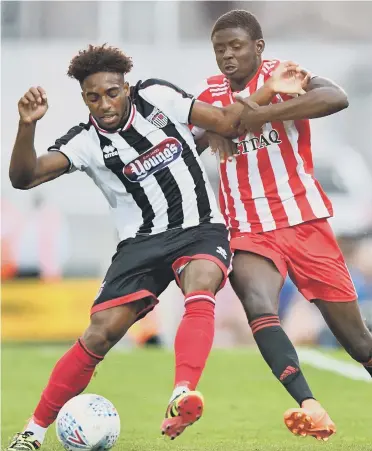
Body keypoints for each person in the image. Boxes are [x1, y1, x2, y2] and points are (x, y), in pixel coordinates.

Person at [7, 44, 306, 450]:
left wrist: (267, 89)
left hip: (200, 227)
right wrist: (27, 125)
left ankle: (182, 392)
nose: (105, 104)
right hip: (140, 243)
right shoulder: (84, 142)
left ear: (126, 87)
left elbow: (225, 122)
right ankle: (33, 430)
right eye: (94, 97)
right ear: (84, 99)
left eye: (112, 92)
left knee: (201, 283)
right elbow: (24, 178)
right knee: (99, 335)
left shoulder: (157, 97)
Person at [192, 9, 372, 442]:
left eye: (236, 47)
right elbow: (199, 139)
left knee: (359, 343)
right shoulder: (210, 93)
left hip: (304, 220)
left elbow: (337, 97)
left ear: (259, 47)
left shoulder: (285, 73)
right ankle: (310, 405)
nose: (227, 56)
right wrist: (250, 110)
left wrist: (266, 107)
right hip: (248, 227)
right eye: (220, 49)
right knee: (258, 302)